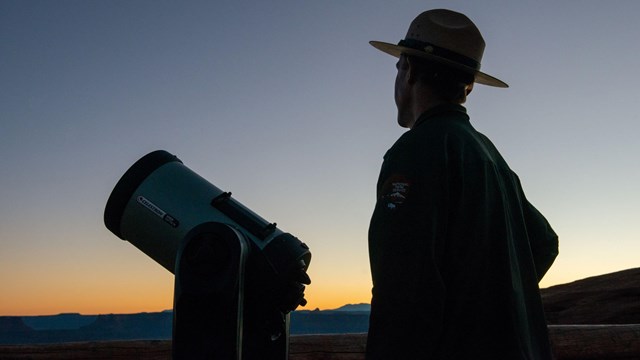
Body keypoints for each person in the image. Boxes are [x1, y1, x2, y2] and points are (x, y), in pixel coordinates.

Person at [366, 9, 559, 359]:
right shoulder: (489, 157)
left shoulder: (416, 152)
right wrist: (493, 310)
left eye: (398, 67)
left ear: (408, 71)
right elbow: (544, 242)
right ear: (467, 86)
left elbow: (404, 292)